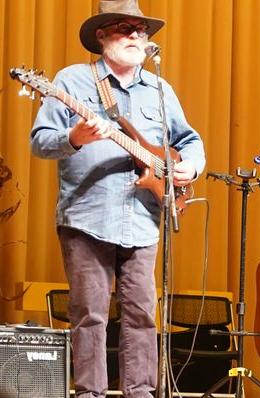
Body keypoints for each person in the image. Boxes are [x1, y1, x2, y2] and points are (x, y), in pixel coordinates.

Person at [29, 1, 206, 396]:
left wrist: (189, 168)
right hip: (88, 216)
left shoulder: (160, 89)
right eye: (123, 28)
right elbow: (40, 142)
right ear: (101, 35)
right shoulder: (72, 81)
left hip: (144, 219)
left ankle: (140, 392)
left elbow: (189, 141)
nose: (134, 36)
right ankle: (90, 393)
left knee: (142, 314)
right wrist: (75, 137)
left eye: (140, 30)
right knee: (90, 315)